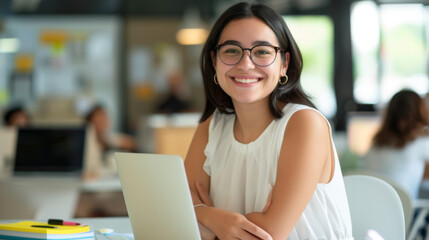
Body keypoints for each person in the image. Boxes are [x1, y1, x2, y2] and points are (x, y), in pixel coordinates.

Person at [184, 2, 353, 239]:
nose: (245, 64)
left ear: (284, 63)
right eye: (231, 50)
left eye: (262, 51)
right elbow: (178, 214)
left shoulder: (305, 123)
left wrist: (202, 215)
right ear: (214, 61)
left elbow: (265, 235)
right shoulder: (212, 126)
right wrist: (211, 218)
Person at [362, 89, 429, 200]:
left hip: (372, 209)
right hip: (404, 213)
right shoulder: (422, 143)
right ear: (420, 111)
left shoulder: (376, 141)